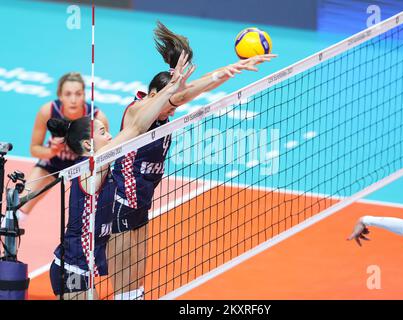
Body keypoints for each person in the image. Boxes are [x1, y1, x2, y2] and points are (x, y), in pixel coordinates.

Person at [108, 21, 276, 300]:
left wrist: (230, 71)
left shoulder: (162, 113)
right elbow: (178, 97)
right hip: (122, 194)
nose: (175, 106)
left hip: (143, 193)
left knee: (138, 260)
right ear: (155, 94)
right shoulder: (139, 110)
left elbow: (193, 89)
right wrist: (175, 89)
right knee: (122, 262)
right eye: (171, 98)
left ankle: (135, 295)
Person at [46, 52, 194, 299]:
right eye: (103, 132)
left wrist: (171, 90)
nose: (110, 136)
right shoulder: (92, 168)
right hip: (72, 269)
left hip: (84, 268)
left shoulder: (103, 163)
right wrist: (168, 89)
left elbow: (136, 129)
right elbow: (135, 126)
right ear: (88, 145)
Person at [19, 72, 109, 221]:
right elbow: (34, 149)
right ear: (60, 96)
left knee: (90, 216)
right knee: (19, 208)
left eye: (78, 94)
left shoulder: (97, 118)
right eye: (68, 94)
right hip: (54, 162)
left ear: (84, 95)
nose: (73, 100)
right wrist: (52, 150)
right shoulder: (47, 111)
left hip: (84, 167)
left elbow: (105, 153)